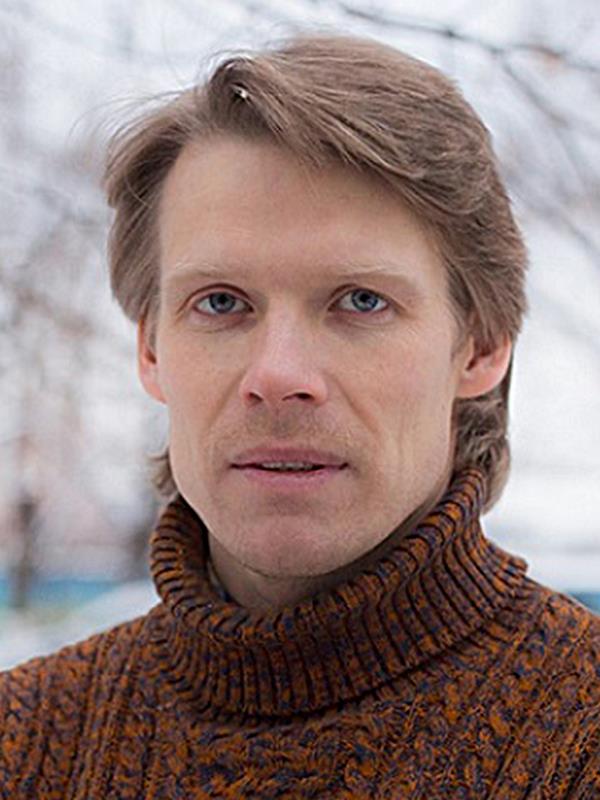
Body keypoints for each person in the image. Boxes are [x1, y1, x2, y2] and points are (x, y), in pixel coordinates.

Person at [1, 32, 598, 799]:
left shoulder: (578, 737)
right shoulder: (26, 745)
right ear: (150, 350)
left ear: (481, 348)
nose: (279, 376)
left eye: (361, 301)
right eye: (221, 302)